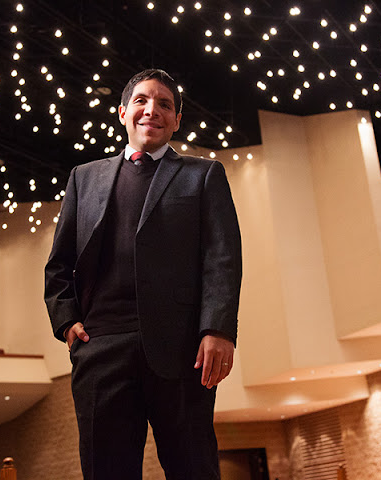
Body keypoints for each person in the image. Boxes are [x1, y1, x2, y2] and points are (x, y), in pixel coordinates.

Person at [44, 68, 242, 480]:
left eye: (165, 104)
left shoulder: (203, 174)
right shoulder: (83, 178)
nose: (152, 110)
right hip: (99, 348)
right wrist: (66, 322)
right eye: (142, 100)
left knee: (194, 469)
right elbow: (59, 263)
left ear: (177, 120)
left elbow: (222, 258)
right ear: (122, 112)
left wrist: (219, 329)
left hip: (183, 351)